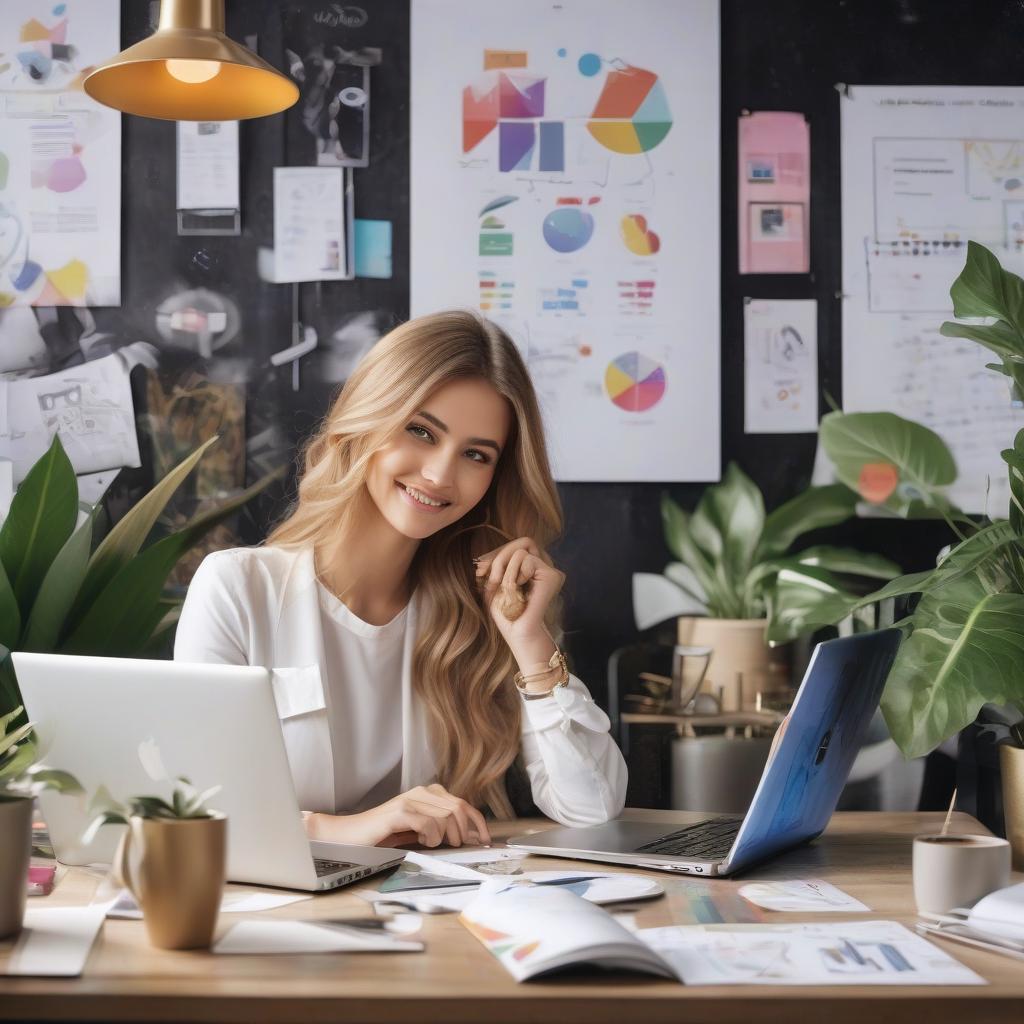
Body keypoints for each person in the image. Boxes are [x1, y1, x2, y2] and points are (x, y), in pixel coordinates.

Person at [175, 310, 627, 849]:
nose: (439, 474)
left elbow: (592, 807)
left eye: (475, 455)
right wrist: (347, 829)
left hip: (430, 920)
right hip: (272, 920)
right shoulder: (238, 589)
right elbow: (191, 817)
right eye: (420, 431)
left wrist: (531, 644)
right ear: (368, 417)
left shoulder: (471, 613)